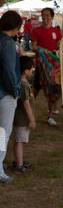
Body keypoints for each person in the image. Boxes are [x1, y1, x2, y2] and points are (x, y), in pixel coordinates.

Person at [0, 10, 22, 184]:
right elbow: (8, 70)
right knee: (3, 133)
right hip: (5, 93)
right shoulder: (7, 43)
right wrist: (15, 90)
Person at [31, 8, 62, 125]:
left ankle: (50, 115)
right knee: (36, 89)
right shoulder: (36, 31)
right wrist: (41, 49)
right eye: (43, 15)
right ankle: (27, 109)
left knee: (52, 91)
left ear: (52, 17)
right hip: (41, 65)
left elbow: (59, 45)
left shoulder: (56, 31)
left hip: (53, 67)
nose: (45, 18)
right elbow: (33, 47)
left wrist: (59, 48)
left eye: (47, 15)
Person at [12, 56, 36, 172]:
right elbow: (26, 104)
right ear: (26, 71)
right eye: (32, 69)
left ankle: (18, 160)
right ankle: (19, 165)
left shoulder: (22, 83)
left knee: (19, 140)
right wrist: (31, 120)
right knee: (19, 141)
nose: (32, 71)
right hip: (22, 120)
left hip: (21, 119)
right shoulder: (23, 85)